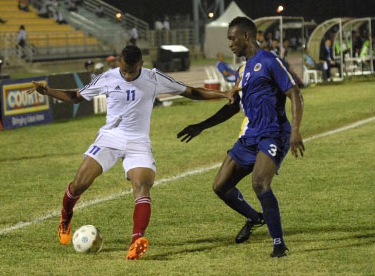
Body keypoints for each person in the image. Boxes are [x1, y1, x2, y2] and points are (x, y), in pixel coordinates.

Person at [27, 45, 237, 260]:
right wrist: (48, 91)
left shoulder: (153, 78)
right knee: (80, 183)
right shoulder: (107, 78)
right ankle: (66, 217)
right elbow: (75, 96)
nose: (128, 75)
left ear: (141, 65)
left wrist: (222, 94)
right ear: (119, 62)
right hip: (110, 138)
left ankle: (136, 241)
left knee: (142, 187)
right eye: (125, 70)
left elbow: (190, 91)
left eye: (132, 71)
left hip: (139, 142)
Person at [177, 17, 304, 258]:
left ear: (246, 36)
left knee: (259, 183)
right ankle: (254, 217)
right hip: (251, 134)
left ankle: (278, 244)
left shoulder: (269, 61)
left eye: (232, 38)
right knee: (220, 186)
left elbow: (294, 93)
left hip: (273, 132)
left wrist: (296, 130)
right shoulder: (242, 71)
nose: (230, 44)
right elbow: (233, 107)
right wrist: (201, 126)